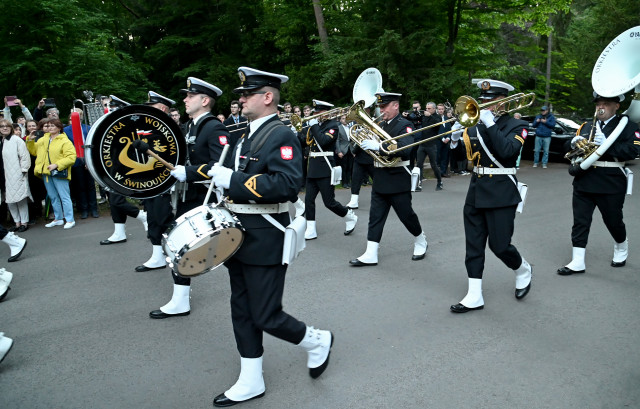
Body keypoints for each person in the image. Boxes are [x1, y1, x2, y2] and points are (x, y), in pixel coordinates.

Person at [206, 66, 333, 407]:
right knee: (242, 310)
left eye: (247, 94)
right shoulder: (245, 134)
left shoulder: (281, 134)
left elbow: (287, 184)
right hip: (238, 234)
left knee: (265, 314)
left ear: (267, 97)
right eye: (240, 95)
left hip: (266, 235)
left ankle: (316, 340)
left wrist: (231, 180)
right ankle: (251, 379)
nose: (241, 99)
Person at [149, 77, 231, 319]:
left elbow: (221, 165)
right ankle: (180, 300)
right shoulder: (192, 126)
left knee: (216, 249)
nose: (184, 99)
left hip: (204, 197)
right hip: (189, 196)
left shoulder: (213, 127)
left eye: (190, 96)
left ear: (204, 101)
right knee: (181, 249)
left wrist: (190, 172)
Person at [450, 79, 532, 313]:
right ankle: (474, 295)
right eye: (482, 100)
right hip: (476, 189)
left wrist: (490, 125)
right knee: (473, 245)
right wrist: (454, 140)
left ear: (503, 102)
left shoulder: (518, 126)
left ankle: (523, 269)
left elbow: (508, 152)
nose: (484, 104)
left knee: (500, 245)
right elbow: (462, 160)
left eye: (490, 100)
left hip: (502, 191)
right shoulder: (474, 125)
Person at [557, 92, 640, 276]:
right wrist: (572, 143)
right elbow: (568, 150)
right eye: (598, 103)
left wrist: (607, 145)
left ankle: (621, 245)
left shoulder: (627, 126)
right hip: (584, 180)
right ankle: (577, 261)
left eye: (606, 103)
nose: (600, 107)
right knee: (580, 222)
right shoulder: (587, 126)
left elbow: (633, 151)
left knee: (613, 220)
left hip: (611, 180)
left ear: (616, 106)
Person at [349, 92, 428, 266]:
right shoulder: (380, 124)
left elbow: (405, 149)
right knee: (375, 216)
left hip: (398, 177)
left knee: (406, 215)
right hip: (380, 177)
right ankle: (371, 252)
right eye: (380, 107)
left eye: (384, 106)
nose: (381, 110)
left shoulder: (405, 124)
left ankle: (420, 239)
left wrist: (378, 145)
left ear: (396, 105)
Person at [133, 91, 177, 272]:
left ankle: (175, 253)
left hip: (166, 183)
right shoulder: (150, 129)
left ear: (163, 108)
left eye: (153, 107)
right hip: (151, 182)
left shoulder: (170, 131)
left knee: (163, 218)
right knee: (152, 217)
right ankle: (157, 256)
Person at [302, 99, 357, 240]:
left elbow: (324, 141)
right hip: (313, 167)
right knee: (308, 200)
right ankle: (311, 228)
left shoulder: (334, 125)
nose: (315, 114)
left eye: (318, 112)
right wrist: (301, 129)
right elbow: (303, 141)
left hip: (325, 167)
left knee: (329, 202)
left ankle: (349, 216)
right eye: (315, 112)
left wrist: (314, 126)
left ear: (326, 112)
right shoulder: (315, 125)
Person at [99, 95, 148, 245]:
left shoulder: (128, 124)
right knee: (113, 200)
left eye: (113, 108)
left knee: (117, 200)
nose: (110, 111)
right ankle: (119, 232)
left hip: (126, 166)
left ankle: (141, 215)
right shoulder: (112, 124)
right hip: (112, 167)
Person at [26, 118, 77, 229]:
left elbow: (71, 157)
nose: (50, 127)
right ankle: (58, 218)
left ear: (59, 128)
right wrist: (29, 141)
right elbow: (34, 152)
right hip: (46, 172)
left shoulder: (64, 140)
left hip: (59, 172)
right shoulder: (42, 140)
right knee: (53, 197)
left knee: (64, 196)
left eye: (53, 125)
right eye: (48, 126)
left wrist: (57, 164)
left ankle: (70, 219)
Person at [63, 108, 98, 219]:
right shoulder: (66, 130)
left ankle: (94, 209)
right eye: (75, 114)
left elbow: (92, 144)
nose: (78, 116)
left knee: (90, 186)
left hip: (88, 161)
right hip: (75, 162)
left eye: (80, 114)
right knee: (80, 186)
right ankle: (84, 209)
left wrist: (90, 160)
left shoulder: (88, 128)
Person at [1, 119, 31, 232]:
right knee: (10, 200)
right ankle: (17, 222)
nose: (4, 128)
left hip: (17, 173)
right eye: (2, 126)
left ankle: (24, 222)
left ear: (11, 128)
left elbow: (24, 157)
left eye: (7, 126)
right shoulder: (2, 141)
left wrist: (23, 171)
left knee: (20, 199)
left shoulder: (16, 140)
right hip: (4, 174)